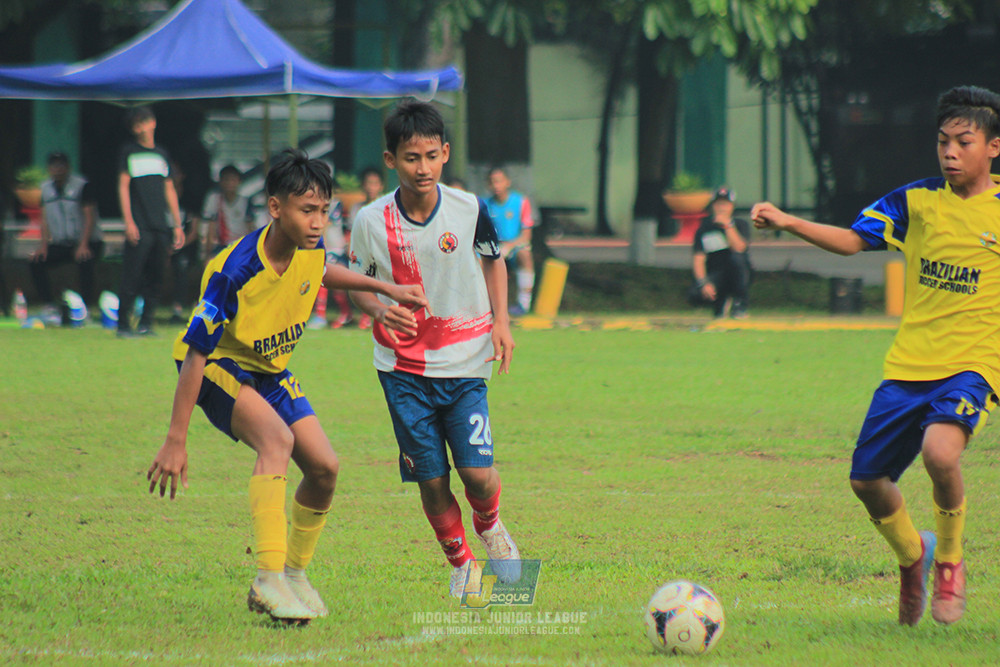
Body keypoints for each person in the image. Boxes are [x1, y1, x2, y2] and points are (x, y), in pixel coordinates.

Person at [750, 85, 1000, 626]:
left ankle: (950, 560)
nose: (950, 152)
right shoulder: (917, 201)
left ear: (993, 147)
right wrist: (789, 222)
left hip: (974, 364)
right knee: (866, 482)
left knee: (940, 454)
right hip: (909, 366)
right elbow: (851, 241)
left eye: (963, 142)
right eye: (943, 142)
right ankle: (914, 556)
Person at [146, 149, 427, 623]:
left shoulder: (308, 248)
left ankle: (294, 574)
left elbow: (323, 271)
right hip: (217, 364)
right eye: (307, 210)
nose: (318, 222)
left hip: (267, 368)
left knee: (324, 468)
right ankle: (267, 577)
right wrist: (176, 438)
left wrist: (385, 294)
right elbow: (195, 352)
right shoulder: (233, 271)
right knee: (277, 440)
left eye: (324, 210)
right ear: (275, 207)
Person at [348, 99, 521, 598]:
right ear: (391, 160)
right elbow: (357, 284)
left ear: (445, 153)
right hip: (401, 367)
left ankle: (489, 524)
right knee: (431, 480)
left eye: (430, 156)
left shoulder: (469, 208)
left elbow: (493, 260)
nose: (421, 168)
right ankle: (462, 563)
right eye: (410, 158)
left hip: (466, 359)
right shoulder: (370, 221)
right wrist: (379, 310)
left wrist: (502, 322)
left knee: (477, 474)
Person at [117, 105, 184, 337]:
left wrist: (177, 224)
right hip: (140, 224)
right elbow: (123, 187)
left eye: (144, 122)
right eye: (137, 125)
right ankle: (123, 325)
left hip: (160, 226)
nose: (142, 128)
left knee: (156, 276)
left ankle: (146, 323)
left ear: (153, 123)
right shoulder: (129, 152)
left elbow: (169, 189)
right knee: (132, 275)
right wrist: (128, 221)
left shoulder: (162, 153)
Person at [29, 152, 104, 314]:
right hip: (62, 242)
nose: (58, 169)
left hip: (87, 241)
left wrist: (83, 245)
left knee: (85, 260)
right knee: (36, 262)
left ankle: (85, 306)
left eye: (61, 165)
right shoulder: (45, 189)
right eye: (54, 165)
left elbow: (89, 217)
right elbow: (44, 220)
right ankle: (48, 304)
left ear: (68, 167)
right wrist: (43, 246)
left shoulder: (82, 186)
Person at [690, 187, 751, 318]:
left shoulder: (740, 225)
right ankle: (720, 304)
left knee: (737, 260)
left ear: (732, 206)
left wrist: (728, 226)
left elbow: (739, 248)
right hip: (716, 272)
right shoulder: (704, 229)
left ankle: (739, 304)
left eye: (725, 204)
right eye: (718, 204)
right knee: (695, 293)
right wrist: (704, 283)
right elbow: (698, 259)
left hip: (738, 272)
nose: (722, 208)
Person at [484, 166, 535, 315]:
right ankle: (487, 305)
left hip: (514, 246)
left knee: (525, 254)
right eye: (492, 182)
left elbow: (526, 235)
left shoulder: (521, 202)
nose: (496, 186)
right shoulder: (484, 205)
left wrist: (509, 246)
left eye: (499, 181)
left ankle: (523, 304)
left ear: (507, 182)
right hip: (493, 247)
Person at [167, 163, 200, 324]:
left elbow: (194, 232)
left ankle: (177, 309)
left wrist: (177, 246)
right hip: (162, 244)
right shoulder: (158, 198)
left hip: (184, 246)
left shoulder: (190, 200)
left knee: (182, 266)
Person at [201, 165, 254, 256]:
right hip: (222, 246)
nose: (229, 183)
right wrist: (208, 252)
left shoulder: (245, 202)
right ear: (221, 182)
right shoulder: (215, 199)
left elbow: (250, 228)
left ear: (239, 182)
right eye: (226, 180)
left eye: (233, 180)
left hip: (241, 245)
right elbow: (210, 226)